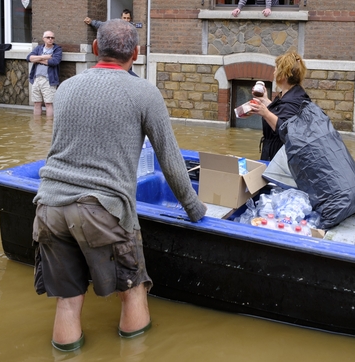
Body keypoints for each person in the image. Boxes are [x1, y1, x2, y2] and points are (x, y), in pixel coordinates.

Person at [32, 19, 206, 352]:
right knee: (132, 290)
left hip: (49, 206)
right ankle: (135, 350)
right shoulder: (144, 92)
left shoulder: (67, 88)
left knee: (68, 300)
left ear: (96, 49)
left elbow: (57, 149)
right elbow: (170, 159)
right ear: (136, 55)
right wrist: (195, 210)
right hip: (102, 209)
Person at [248, 51, 310, 161]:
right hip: (272, 153)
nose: (274, 72)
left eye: (276, 69)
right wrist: (265, 100)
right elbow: (280, 111)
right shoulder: (289, 95)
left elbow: (287, 131)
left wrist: (265, 113)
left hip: (279, 159)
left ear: (283, 75)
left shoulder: (295, 100)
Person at [27, 31, 63, 117]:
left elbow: (54, 62)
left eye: (52, 38)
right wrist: (44, 57)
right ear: (43, 39)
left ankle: (49, 126)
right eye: (48, 37)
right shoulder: (38, 48)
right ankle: (36, 126)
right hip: (36, 79)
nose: (50, 39)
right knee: (37, 103)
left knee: (49, 104)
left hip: (49, 80)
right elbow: (29, 58)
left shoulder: (57, 49)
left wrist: (38, 60)